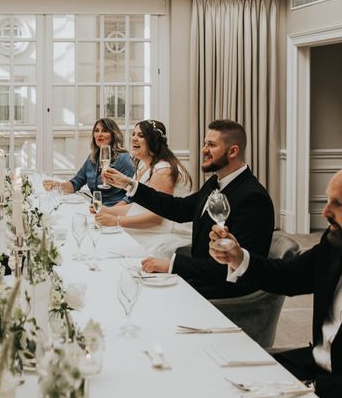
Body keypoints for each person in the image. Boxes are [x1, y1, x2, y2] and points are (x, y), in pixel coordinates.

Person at [209, 169, 342, 398]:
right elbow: (289, 276)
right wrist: (238, 258)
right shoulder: (334, 243)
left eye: (338, 203)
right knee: (225, 383)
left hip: (333, 388)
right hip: (313, 364)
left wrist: (310, 388)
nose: (325, 212)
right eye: (327, 200)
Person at [102, 119, 274, 298]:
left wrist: (171, 265)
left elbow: (232, 267)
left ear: (233, 151)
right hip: (199, 279)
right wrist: (130, 185)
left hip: (221, 295)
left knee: (140, 294)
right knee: (126, 280)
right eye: (204, 144)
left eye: (211, 145)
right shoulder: (216, 182)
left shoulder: (253, 198)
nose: (204, 150)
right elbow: (179, 209)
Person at [94, 119, 192, 257]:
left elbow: (156, 217)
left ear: (153, 141)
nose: (134, 138)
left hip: (165, 234)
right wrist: (107, 210)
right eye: (133, 134)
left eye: (141, 135)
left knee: (110, 250)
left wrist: (116, 221)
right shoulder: (143, 166)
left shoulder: (163, 170)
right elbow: (138, 207)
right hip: (151, 230)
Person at [44, 118, 135, 206]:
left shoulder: (123, 159)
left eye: (104, 131)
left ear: (113, 135)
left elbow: (134, 193)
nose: (99, 134)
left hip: (116, 214)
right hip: (95, 209)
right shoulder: (92, 158)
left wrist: (114, 210)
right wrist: (57, 185)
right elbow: (75, 183)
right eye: (96, 131)